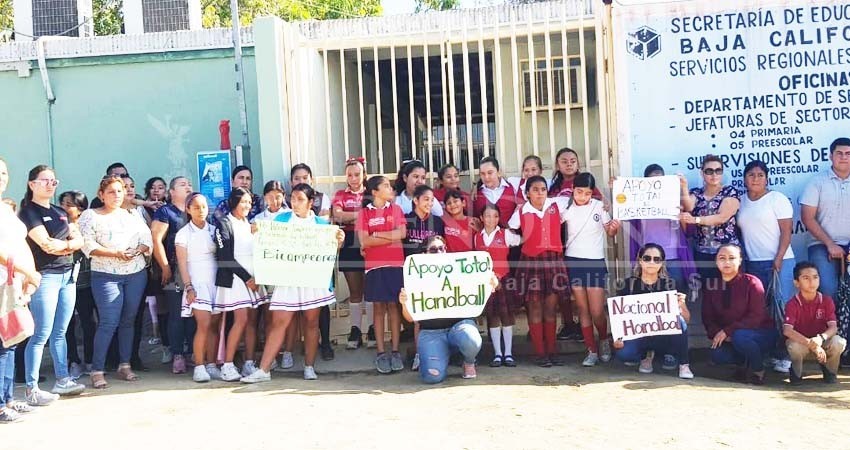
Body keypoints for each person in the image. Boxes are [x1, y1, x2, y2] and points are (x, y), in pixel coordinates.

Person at [241, 184, 346, 383]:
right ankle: (264, 370)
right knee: (279, 322)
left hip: (312, 281)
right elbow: (268, 245)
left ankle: (309, 367)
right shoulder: (281, 221)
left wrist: (339, 240)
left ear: (310, 202)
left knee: (311, 323)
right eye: (293, 199)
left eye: (300, 199)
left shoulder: (321, 225)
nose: (295, 203)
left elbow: (331, 251)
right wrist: (258, 232)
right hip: (287, 280)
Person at [19, 165, 86, 403]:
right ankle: (32, 388)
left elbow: (79, 240)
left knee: (60, 331)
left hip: (67, 275)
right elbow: (45, 244)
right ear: (32, 184)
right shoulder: (28, 212)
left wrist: (65, 245)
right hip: (46, 276)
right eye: (45, 180)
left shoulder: (60, 211)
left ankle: (63, 379)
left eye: (53, 181)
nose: (50, 185)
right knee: (41, 333)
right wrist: (68, 244)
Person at [79, 175, 152, 389]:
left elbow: (146, 239)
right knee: (109, 321)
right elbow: (87, 244)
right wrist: (115, 253)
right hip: (106, 275)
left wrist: (138, 250)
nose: (117, 195)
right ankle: (97, 370)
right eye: (111, 191)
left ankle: (124, 365)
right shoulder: (91, 215)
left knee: (128, 320)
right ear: (101, 195)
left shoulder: (132, 214)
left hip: (135, 273)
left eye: (120, 191)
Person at [399, 236, 491, 384]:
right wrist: (404, 303)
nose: (439, 252)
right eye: (433, 250)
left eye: (442, 248)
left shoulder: (458, 271)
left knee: (471, 339)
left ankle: (468, 361)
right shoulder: (415, 276)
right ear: (424, 254)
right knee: (432, 377)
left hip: (459, 326)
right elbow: (410, 318)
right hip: (431, 332)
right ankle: (440, 355)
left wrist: (490, 283)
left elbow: (480, 290)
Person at [737, 159, 796, 374]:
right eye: (751, 174)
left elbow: (787, 231)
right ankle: (770, 353)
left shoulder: (777, 199)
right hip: (753, 263)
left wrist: (779, 258)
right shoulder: (740, 201)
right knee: (761, 312)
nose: (756, 179)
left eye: (760, 175)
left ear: (767, 178)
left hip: (780, 261)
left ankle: (786, 355)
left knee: (782, 309)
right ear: (745, 178)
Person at [508, 176, 571, 367]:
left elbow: (580, 201)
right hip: (532, 262)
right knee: (535, 308)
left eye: (543, 189)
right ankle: (539, 353)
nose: (540, 193)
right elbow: (510, 230)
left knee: (550, 308)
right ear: (527, 193)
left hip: (553, 261)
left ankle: (552, 351)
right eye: (535, 190)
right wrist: (521, 241)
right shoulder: (521, 212)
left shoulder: (557, 205)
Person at [562, 173, 621, 366]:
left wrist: (614, 227)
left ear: (592, 193)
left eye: (587, 193)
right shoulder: (565, 207)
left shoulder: (599, 206)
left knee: (597, 310)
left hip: (595, 262)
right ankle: (591, 350)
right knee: (582, 309)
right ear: (573, 189)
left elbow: (610, 232)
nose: (582, 197)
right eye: (579, 192)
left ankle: (603, 340)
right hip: (574, 261)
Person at [613, 244, 694, 379]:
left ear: (662, 263)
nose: (651, 262)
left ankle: (683, 364)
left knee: (679, 321)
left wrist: (682, 305)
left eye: (656, 259)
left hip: (663, 336)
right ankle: (645, 356)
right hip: (639, 336)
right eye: (647, 258)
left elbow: (685, 321)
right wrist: (618, 337)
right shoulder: (628, 285)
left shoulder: (670, 285)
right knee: (624, 354)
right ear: (640, 260)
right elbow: (619, 317)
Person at [0, 157, 41, 422]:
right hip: (3, 282)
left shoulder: (5, 210)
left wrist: (30, 277)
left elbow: (20, 244)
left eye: (4, 172)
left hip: (14, 283)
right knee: (2, 345)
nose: (1, 177)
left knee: (12, 340)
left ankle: (8, 399)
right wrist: (27, 272)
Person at [702, 244, 776, 385]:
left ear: (740, 260)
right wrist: (719, 334)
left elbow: (756, 317)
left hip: (759, 333)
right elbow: (707, 318)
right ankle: (743, 364)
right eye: (722, 258)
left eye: (732, 258)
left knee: (740, 336)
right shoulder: (712, 286)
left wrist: (728, 331)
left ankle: (758, 370)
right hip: (730, 338)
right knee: (717, 355)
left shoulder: (752, 282)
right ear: (716, 261)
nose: (727, 262)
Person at [213, 187, 268, 381]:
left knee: (252, 321)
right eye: (243, 202)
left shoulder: (250, 224)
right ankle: (227, 365)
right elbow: (225, 257)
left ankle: (248, 363)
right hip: (236, 280)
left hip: (253, 279)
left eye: (249, 203)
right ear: (234, 202)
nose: (247, 206)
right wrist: (247, 278)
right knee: (241, 319)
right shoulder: (224, 224)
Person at [357, 176, 408, 374]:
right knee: (378, 308)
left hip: (395, 264)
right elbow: (365, 241)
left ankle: (395, 351)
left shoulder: (396, 209)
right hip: (374, 266)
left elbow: (401, 233)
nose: (390, 188)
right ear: (375, 192)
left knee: (394, 306)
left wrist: (377, 235)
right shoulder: (364, 214)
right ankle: (380, 352)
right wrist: (389, 236)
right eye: (385, 186)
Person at [175, 193, 222, 383]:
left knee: (214, 326)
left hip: (215, 283)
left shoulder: (214, 230)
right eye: (195, 207)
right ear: (188, 210)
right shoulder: (183, 234)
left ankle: (211, 364)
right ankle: (199, 366)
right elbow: (182, 263)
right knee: (203, 325)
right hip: (196, 284)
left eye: (203, 206)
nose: (201, 210)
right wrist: (189, 287)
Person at [151, 176, 195, 375]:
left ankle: (192, 352)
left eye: (189, 184)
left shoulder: (195, 209)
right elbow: (156, 240)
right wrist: (165, 266)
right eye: (182, 185)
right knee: (177, 313)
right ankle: (177, 354)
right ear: (171, 192)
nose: (188, 187)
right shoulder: (165, 212)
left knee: (193, 313)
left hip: (195, 269)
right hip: (174, 270)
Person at [332, 157, 375, 350]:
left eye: (357, 174)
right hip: (349, 243)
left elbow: (376, 215)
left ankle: (373, 328)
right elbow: (338, 215)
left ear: (364, 174)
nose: (353, 178)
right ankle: (355, 330)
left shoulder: (371, 193)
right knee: (355, 291)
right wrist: (362, 215)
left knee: (371, 289)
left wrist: (351, 217)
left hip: (370, 241)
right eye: (349, 175)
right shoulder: (340, 194)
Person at [800, 137, 850, 299]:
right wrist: (830, 244)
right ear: (830, 156)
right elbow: (807, 218)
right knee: (828, 290)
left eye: (848, 154)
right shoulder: (817, 182)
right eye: (839, 153)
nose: (844, 157)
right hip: (821, 245)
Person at [680, 154, 741, 282]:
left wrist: (696, 220)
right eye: (709, 171)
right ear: (702, 173)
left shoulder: (730, 192)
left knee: (731, 288)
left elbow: (722, 217)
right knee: (707, 290)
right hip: (702, 254)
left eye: (718, 171)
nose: (714, 175)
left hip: (727, 254)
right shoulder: (696, 193)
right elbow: (688, 206)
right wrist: (684, 186)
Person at [783, 261, 846, 385]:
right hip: (802, 343)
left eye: (815, 277)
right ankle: (796, 373)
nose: (812, 281)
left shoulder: (826, 300)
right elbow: (787, 330)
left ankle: (830, 371)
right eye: (806, 278)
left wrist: (820, 338)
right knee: (793, 346)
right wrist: (812, 344)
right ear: (796, 283)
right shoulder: (792, 304)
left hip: (822, 342)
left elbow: (833, 327)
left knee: (838, 342)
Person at [475, 204, 521, 367]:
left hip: (504, 279)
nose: (491, 219)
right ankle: (497, 354)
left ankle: (508, 353)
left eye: (495, 216)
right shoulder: (477, 237)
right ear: (481, 218)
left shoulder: (505, 234)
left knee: (506, 316)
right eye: (487, 216)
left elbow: (521, 241)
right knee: (492, 316)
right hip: (487, 282)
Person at [59, 190, 96, 379]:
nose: (64, 207)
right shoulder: (57, 225)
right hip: (64, 282)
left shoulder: (87, 226)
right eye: (62, 203)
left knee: (89, 322)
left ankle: (90, 360)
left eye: (69, 204)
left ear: (80, 209)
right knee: (67, 325)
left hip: (86, 283)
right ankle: (73, 361)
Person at [472, 156, 517, 229]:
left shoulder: (514, 188)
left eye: (490, 173)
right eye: (483, 174)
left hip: (510, 234)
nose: (486, 177)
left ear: (499, 172)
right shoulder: (476, 195)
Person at [403, 185, 445, 257]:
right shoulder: (406, 219)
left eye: (432, 200)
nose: (430, 203)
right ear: (416, 200)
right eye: (426, 199)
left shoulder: (438, 222)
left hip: (433, 262)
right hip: (411, 262)